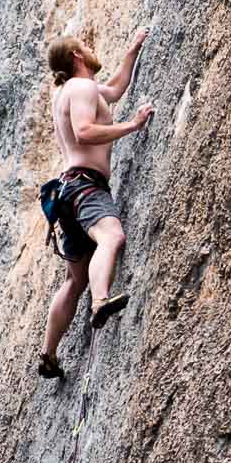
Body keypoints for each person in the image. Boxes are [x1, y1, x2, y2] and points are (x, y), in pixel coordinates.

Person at [37, 28, 153, 379]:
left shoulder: (69, 92)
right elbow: (85, 131)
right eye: (86, 47)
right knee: (112, 237)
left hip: (65, 193)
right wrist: (131, 126)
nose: (91, 50)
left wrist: (131, 51)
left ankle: (48, 354)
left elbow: (115, 90)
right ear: (76, 56)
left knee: (74, 280)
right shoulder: (82, 87)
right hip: (86, 186)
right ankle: (101, 300)